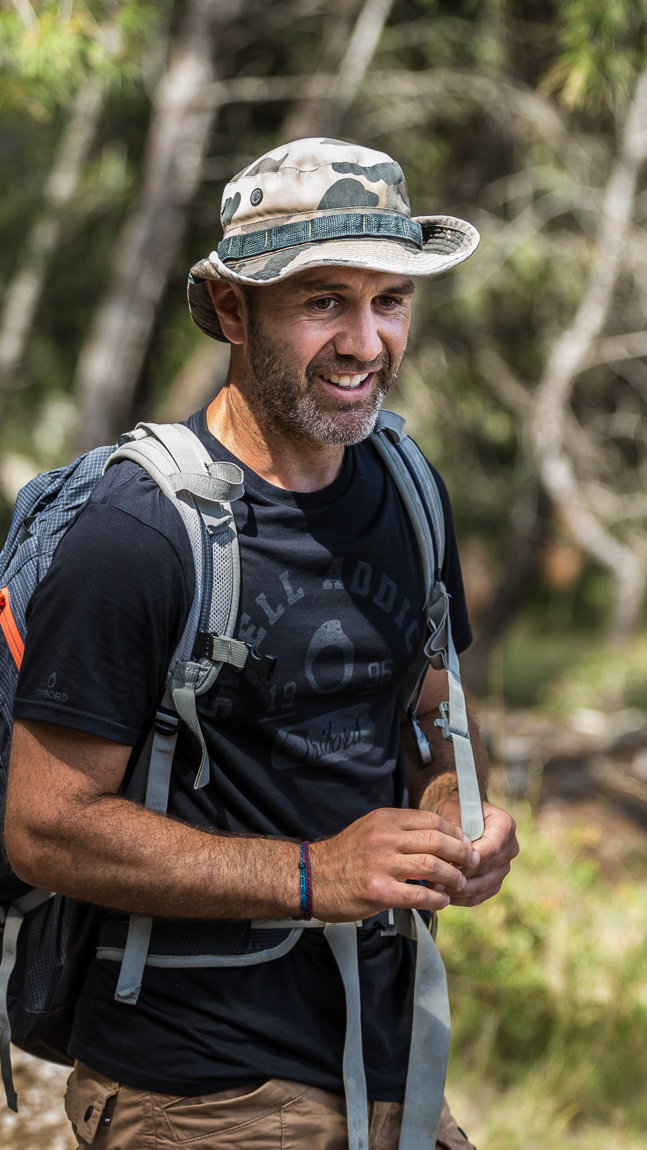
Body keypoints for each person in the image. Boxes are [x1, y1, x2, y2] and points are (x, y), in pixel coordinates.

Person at [5, 138, 518, 1150]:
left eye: (390, 302)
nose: (365, 343)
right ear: (233, 311)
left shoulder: (408, 492)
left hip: (385, 1060)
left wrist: (455, 811)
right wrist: (311, 874)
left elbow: (427, 715)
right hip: (195, 1085)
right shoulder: (136, 532)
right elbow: (43, 825)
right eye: (322, 301)